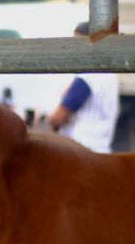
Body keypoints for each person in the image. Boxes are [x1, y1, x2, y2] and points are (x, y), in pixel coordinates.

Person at [45, 23, 120, 153]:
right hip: (102, 150)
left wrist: (48, 119)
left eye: (78, 45)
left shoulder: (86, 78)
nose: (74, 50)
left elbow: (58, 117)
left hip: (80, 151)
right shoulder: (110, 75)